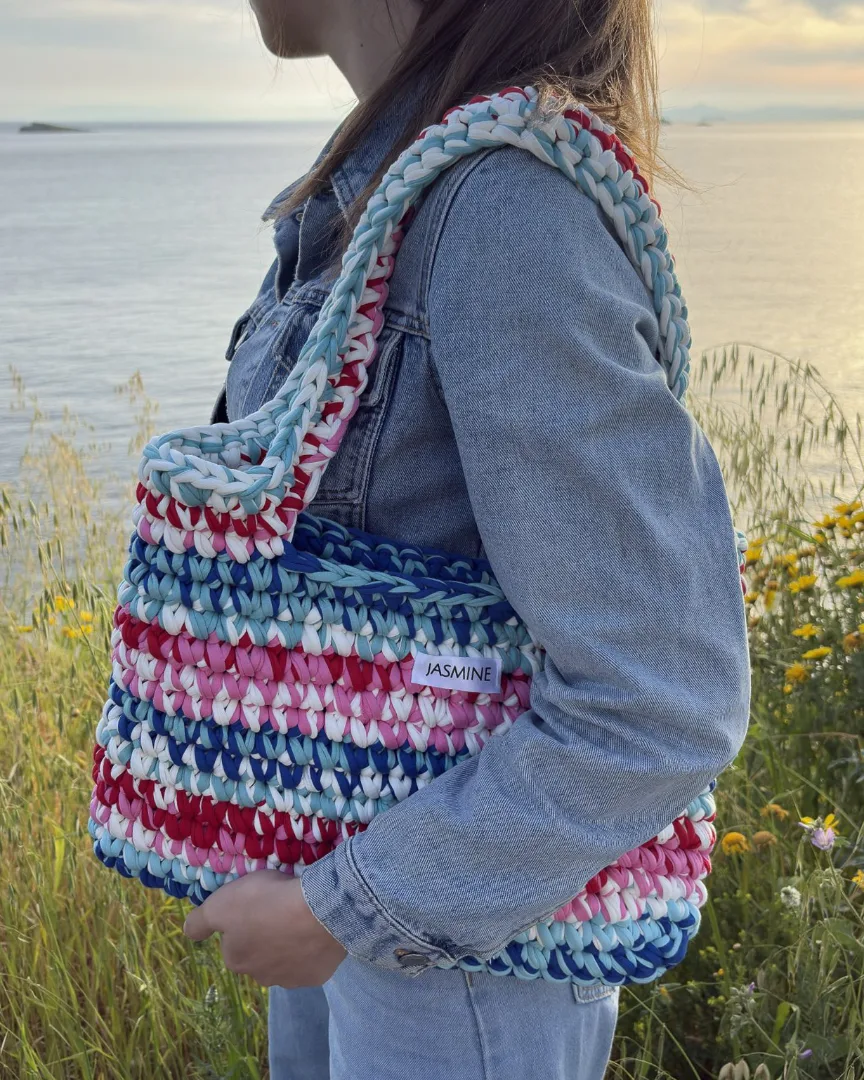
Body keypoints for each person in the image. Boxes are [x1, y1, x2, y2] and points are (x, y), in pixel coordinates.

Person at [181, 1, 752, 1077]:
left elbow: (661, 696)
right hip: (365, 883)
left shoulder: (504, 213)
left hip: (464, 965)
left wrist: (336, 909)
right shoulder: (396, 189)